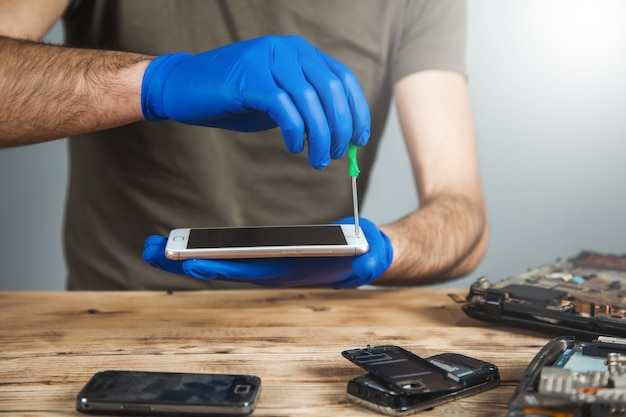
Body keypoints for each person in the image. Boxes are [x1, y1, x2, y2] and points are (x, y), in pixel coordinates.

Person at [0, 0, 488, 290]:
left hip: (311, 328)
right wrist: (154, 83)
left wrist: (382, 251)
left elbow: (463, 216)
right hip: (114, 322)